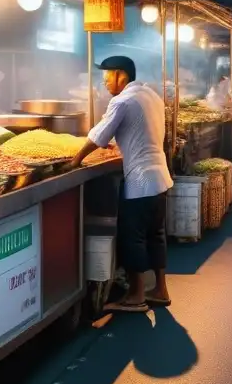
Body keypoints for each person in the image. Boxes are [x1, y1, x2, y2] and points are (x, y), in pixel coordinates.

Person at [70, 56, 173, 313]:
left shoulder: (122, 101)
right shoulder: (152, 96)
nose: (105, 84)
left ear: (121, 76)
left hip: (139, 181)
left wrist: (75, 160)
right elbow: (140, 133)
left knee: (132, 238)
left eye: (107, 78)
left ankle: (136, 296)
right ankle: (160, 289)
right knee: (155, 236)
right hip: (160, 178)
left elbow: (98, 136)